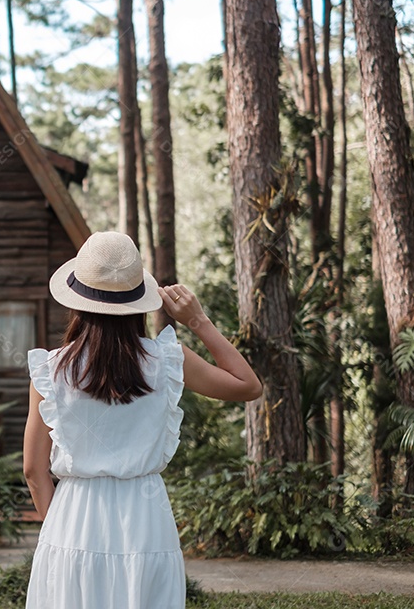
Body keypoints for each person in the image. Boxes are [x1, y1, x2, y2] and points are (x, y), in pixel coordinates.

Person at [22, 231, 262, 608]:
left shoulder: (51, 371)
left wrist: (58, 529)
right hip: (145, 518)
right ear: (138, 302)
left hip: (73, 517)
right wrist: (198, 320)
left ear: (78, 302)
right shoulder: (168, 361)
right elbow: (248, 386)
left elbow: (34, 471)